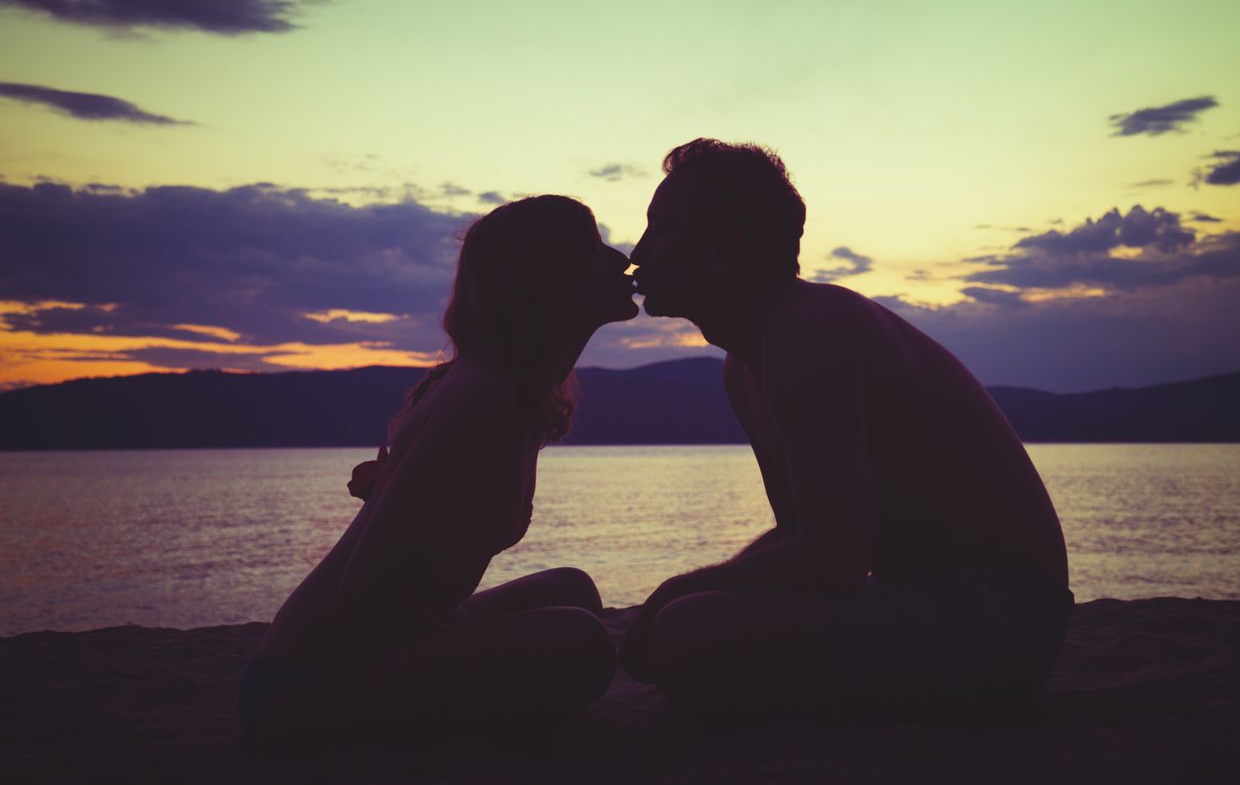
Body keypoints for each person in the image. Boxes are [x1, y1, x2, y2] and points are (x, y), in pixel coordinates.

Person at [622, 139, 1072, 720]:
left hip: (1000, 618)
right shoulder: (748, 363)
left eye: (661, 230)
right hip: (939, 605)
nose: (638, 253)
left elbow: (831, 560)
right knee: (688, 626)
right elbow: (804, 536)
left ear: (725, 247)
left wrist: (677, 593)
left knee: (688, 630)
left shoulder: (805, 334)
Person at [240, 195, 638, 750]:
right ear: (548, 278)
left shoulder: (507, 390)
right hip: (310, 679)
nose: (621, 259)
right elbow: (366, 594)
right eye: (593, 247)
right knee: (582, 643)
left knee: (573, 589)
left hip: (371, 645)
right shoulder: (485, 398)